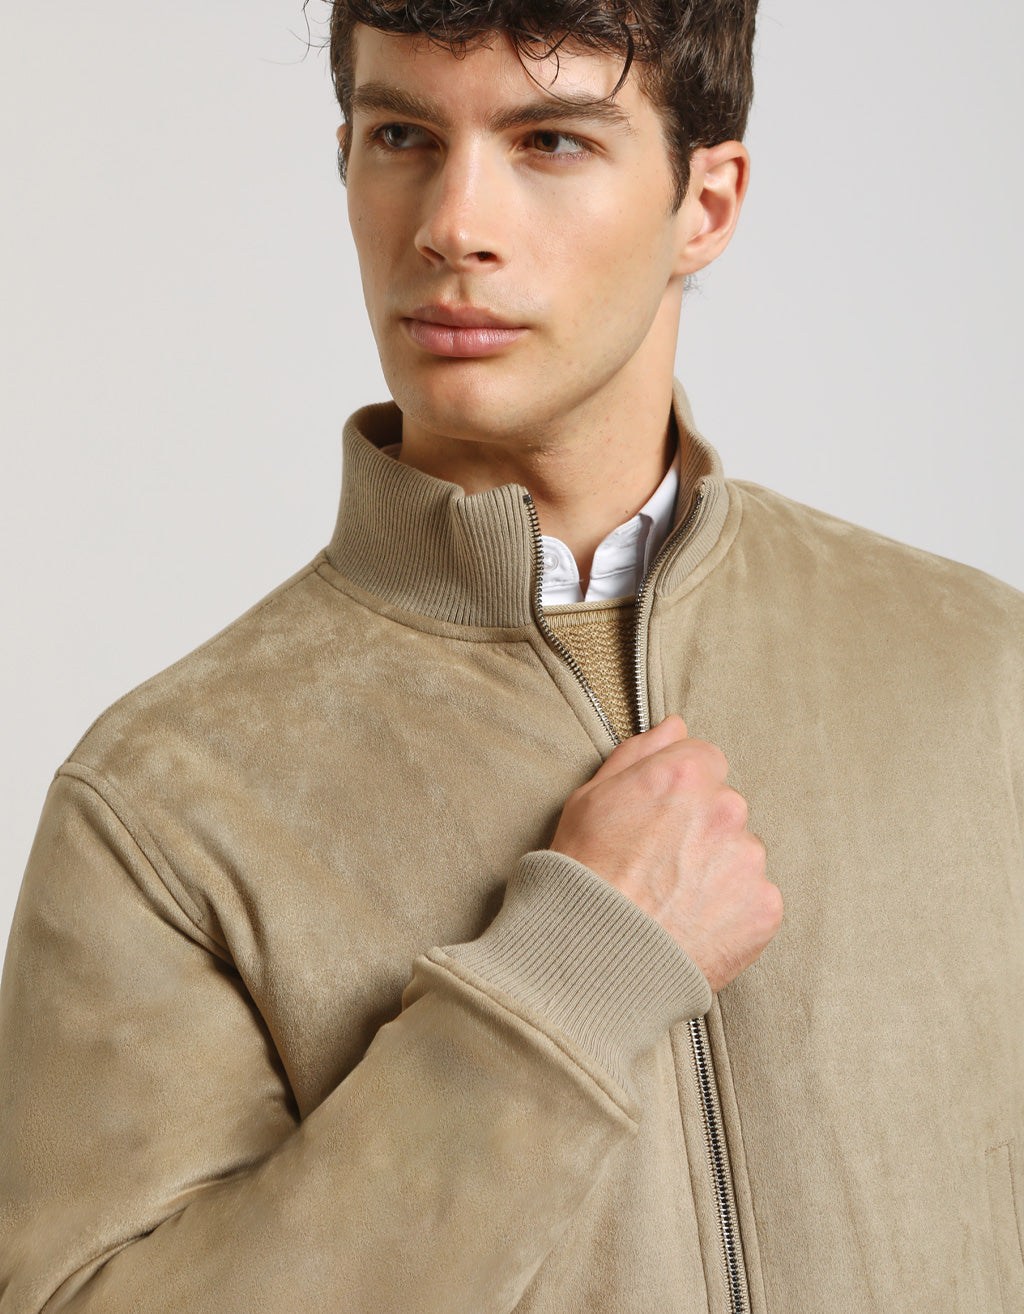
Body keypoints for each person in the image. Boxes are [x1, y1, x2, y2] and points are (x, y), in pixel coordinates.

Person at [1, 0, 1021, 1310]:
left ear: (705, 204)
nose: (452, 224)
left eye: (550, 141)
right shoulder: (162, 802)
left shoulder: (982, 677)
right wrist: (566, 987)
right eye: (403, 136)